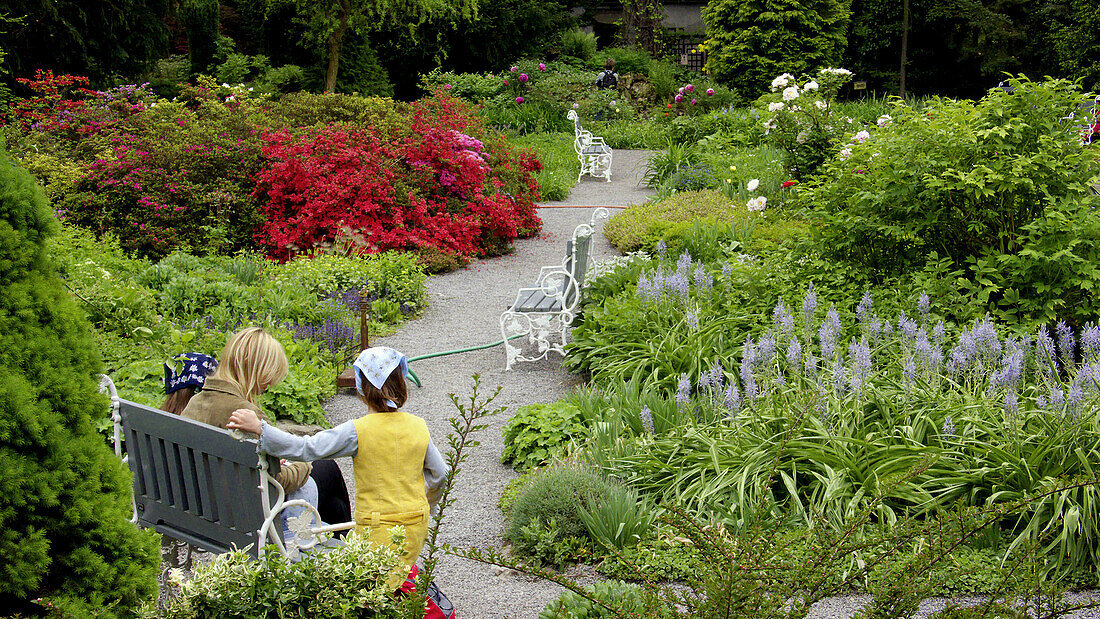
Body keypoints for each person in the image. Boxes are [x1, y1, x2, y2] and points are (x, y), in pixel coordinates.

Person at [226, 346, 448, 589]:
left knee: (377, 591)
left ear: (362, 389)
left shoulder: (357, 430)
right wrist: (427, 504)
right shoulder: (419, 426)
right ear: (402, 383)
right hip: (416, 525)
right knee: (398, 582)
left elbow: (306, 448)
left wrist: (261, 429)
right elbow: (440, 474)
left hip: (377, 528)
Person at [181, 327, 345, 543]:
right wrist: (303, 463)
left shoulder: (195, 403)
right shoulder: (245, 414)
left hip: (202, 508)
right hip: (245, 517)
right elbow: (276, 482)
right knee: (326, 470)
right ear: (251, 364)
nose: (270, 383)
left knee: (329, 483)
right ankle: (343, 547)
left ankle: (338, 537)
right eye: (269, 374)